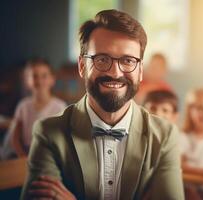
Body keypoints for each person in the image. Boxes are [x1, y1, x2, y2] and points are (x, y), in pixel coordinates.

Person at [21, 10, 184, 200]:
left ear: (140, 70)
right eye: (102, 59)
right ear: (82, 66)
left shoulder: (165, 136)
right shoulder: (48, 133)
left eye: (128, 61)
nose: (115, 73)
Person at [3, 59, 66, 158]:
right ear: (27, 81)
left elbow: (62, 138)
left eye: (44, 76)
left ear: (52, 79)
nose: (39, 81)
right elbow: (15, 137)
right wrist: (22, 156)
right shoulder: (23, 106)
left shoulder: (60, 107)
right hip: (26, 152)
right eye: (34, 76)